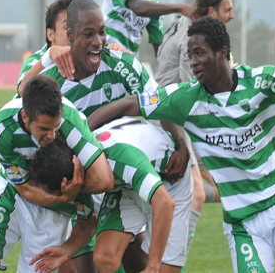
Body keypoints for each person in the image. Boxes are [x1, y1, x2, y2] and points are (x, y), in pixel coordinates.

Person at [87, 17, 275, 273]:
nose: (193, 62)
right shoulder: (188, 98)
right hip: (243, 225)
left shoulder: (263, 82)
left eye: (200, 53)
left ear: (222, 53)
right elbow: (129, 104)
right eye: (190, 54)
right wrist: (83, 138)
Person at [18, 0, 191, 273]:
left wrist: (182, 144)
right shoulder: (50, 71)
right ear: (69, 36)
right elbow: (23, 91)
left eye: (101, 32)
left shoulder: (124, 65)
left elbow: (161, 105)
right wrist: (48, 56)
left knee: (129, 254)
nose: (98, 41)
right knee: (98, 260)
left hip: (120, 166)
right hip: (82, 175)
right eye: (88, 34)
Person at [0, 75, 114, 273]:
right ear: (25, 117)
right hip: (14, 189)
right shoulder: (2, 130)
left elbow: (104, 180)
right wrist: (62, 193)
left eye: (56, 127)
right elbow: (24, 188)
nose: (52, 136)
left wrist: (69, 190)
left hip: (57, 208)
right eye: (44, 128)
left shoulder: (71, 124)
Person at [30, 117, 193, 273]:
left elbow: (165, 203)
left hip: (170, 184)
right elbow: (86, 224)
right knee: (105, 257)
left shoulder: (118, 157)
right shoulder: (74, 172)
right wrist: (65, 251)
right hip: (126, 187)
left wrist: (152, 266)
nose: (63, 198)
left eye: (61, 194)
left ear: (70, 179)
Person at [153, 0, 234, 265]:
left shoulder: (185, 27)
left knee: (218, 185)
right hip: (173, 120)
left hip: (168, 115)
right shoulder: (195, 37)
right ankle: (170, 263)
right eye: (227, 10)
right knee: (198, 194)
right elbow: (194, 89)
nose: (233, 15)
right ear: (212, 12)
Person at [26, 139, 98, 272]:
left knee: (105, 258)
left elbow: (88, 223)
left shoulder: (90, 184)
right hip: (72, 213)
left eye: (51, 193)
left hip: (107, 201)